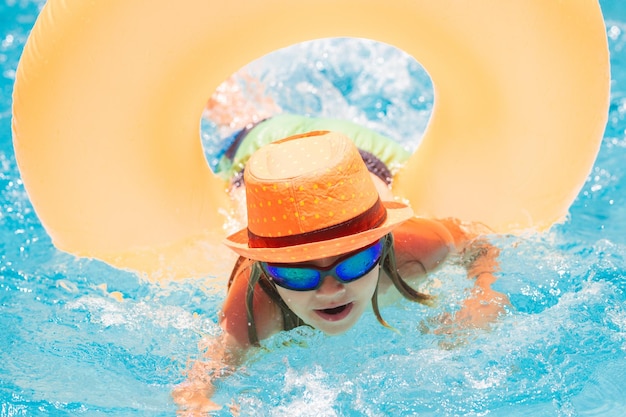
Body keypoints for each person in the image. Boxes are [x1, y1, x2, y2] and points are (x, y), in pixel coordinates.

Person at [173, 129, 509, 414]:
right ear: (268, 271)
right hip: (258, 153)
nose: (331, 291)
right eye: (298, 275)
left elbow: (479, 243)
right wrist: (198, 404)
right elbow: (199, 382)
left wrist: (484, 294)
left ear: (383, 247)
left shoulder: (414, 248)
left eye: (354, 264)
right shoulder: (256, 303)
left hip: (359, 161)